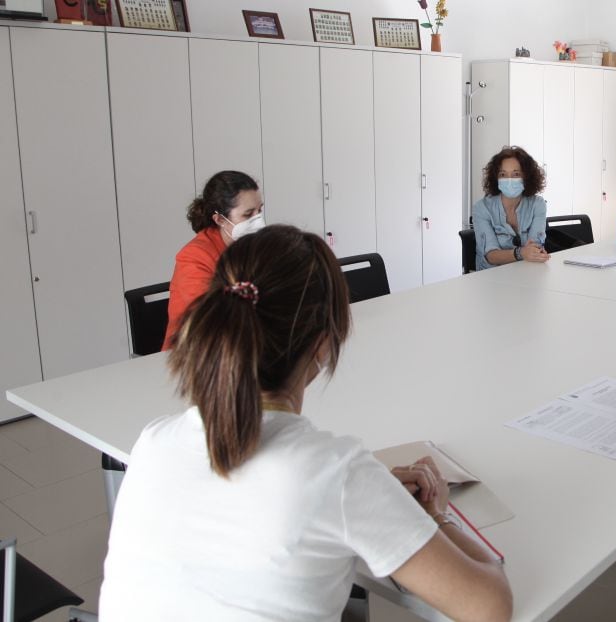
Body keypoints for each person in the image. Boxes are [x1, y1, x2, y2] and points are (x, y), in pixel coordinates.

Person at [100, 225, 512, 622]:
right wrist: (434, 515)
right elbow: (490, 607)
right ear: (321, 346)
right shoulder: (337, 473)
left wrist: (372, 494)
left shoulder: (153, 441)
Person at [163, 171, 265, 349]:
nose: (258, 221)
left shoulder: (250, 248)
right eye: (248, 215)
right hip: (196, 355)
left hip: (244, 348)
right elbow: (210, 321)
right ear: (219, 219)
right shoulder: (194, 257)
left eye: (259, 211)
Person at [472, 146, 550, 270]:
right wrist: (521, 253)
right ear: (496, 178)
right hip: (490, 278)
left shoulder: (537, 204)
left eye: (516, 174)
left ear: (526, 177)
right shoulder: (481, 208)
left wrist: (533, 252)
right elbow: (491, 255)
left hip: (527, 272)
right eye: (503, 174)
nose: (509, 180)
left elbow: (535, 247)